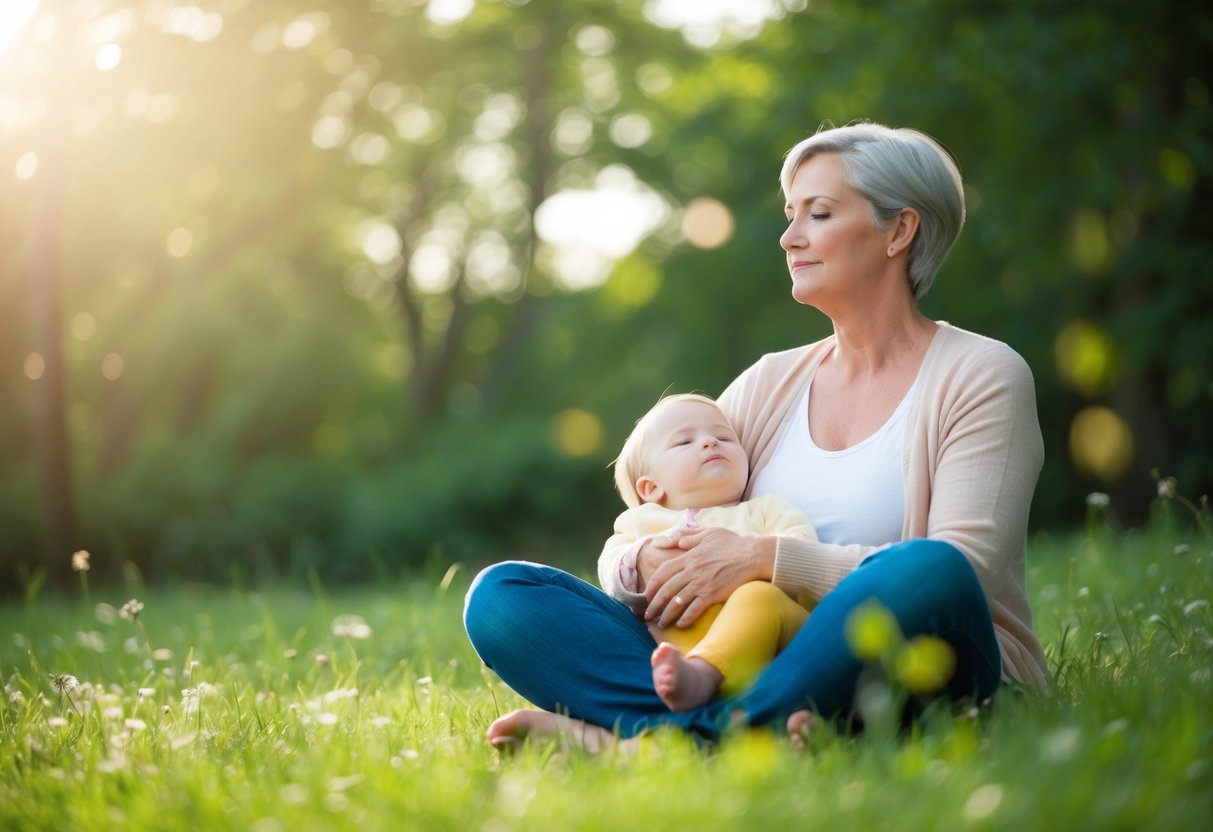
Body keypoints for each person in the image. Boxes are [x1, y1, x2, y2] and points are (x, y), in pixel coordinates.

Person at [463, 121, 1049, 753]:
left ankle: (652, 743)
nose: (789, 236)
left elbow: (968, 573)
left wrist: (766, 559)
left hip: (916, 665)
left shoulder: (982, 374)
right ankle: (738, 732)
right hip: (743, 666)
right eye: (790, 214)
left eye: (818, 214)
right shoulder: (769, 383)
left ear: (899, 231)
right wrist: (643, 568)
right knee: (504, 596)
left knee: (929, 568)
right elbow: (653, 508)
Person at [602, 392, 819, 712]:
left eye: (723, 436)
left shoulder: (763, 511)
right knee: (609, 627)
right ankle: (767, 717)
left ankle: (702, 680)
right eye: (684, 442)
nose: (710, 443)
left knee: (759, 597)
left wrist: (753, 560)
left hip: (775, 640)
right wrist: (642, 558)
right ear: (650, 488)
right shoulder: (641, 524)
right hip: (676, 646)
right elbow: (611, 569)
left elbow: (803, 549)